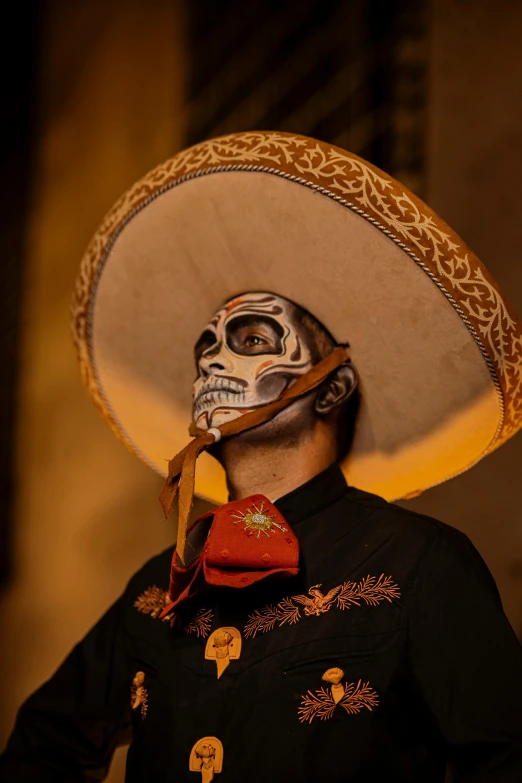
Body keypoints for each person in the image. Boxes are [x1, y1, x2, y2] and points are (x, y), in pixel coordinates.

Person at [2, 131, 522, 782]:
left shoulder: (420, 563)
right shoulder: (158, 586)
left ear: (331, 386)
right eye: (207, 346)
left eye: (250, 337)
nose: (213, 361)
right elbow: (40, 748)